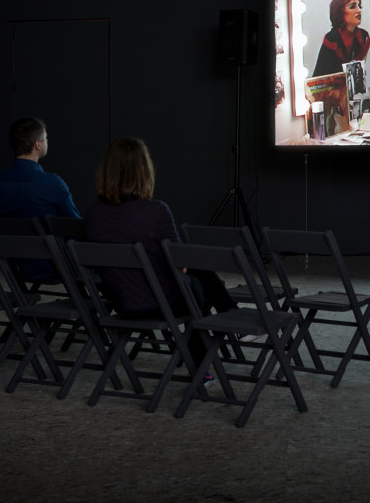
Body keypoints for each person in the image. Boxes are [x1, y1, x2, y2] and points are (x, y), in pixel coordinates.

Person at [83, 137, 249, 370]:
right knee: (196, 284)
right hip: (160, 303)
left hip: (120, 300)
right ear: (144, 171)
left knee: (197, 276)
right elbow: (181, 262)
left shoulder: (94, 213)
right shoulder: (156, 211)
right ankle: (208, 356)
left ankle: (224, 326)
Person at [0, 117, 82, 279]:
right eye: (45, 138)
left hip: (20, 263)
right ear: (38, 145)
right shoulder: (51, 182)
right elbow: (74, 226)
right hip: (56, 264)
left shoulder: (0, 182)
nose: (47, 141)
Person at [312, 0, 370, 77]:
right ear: (340, 12)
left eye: (359, 6)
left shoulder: (363, 37)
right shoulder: (332, 39)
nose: (359, 10)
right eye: (352, 6)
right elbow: (320, 76)